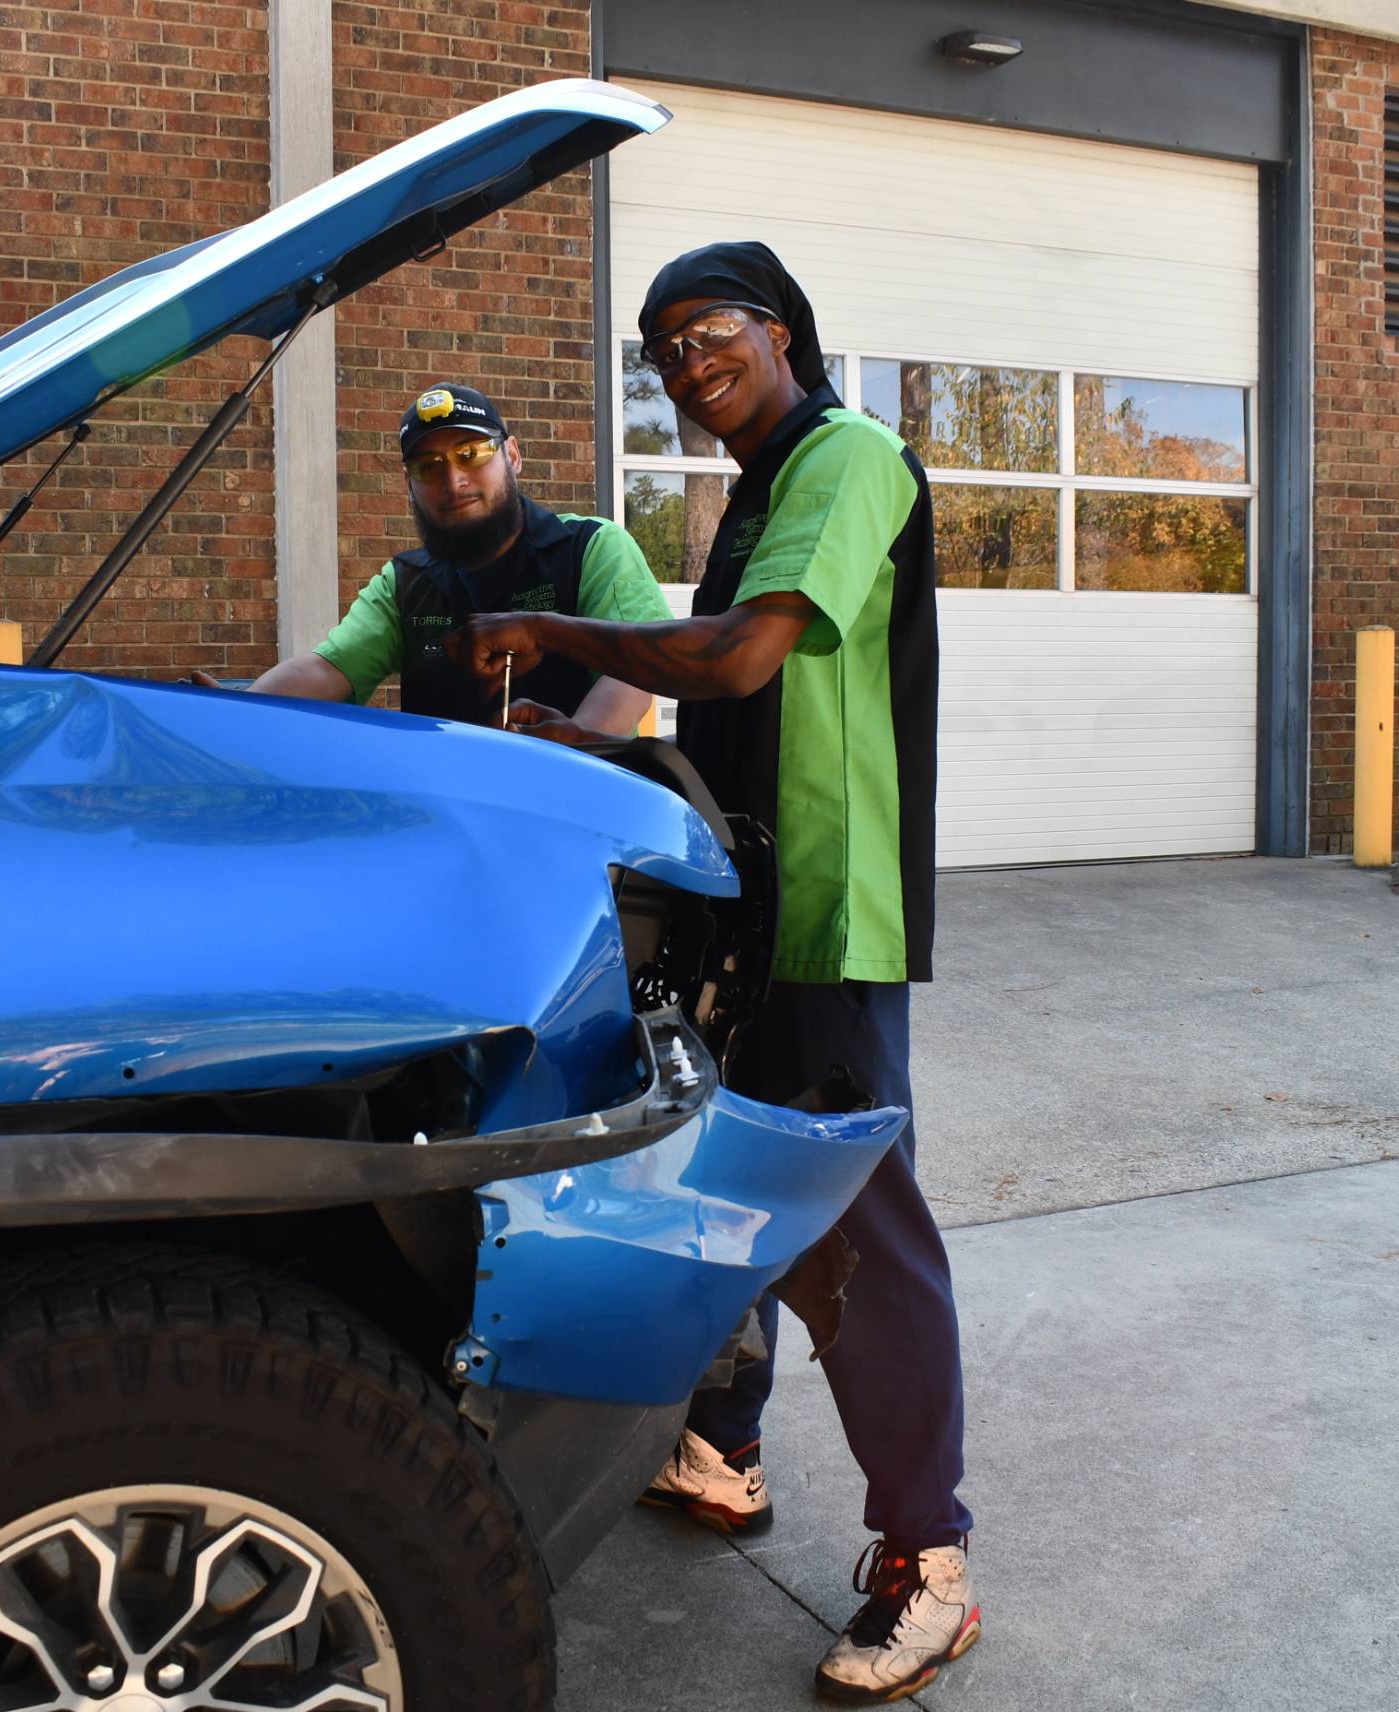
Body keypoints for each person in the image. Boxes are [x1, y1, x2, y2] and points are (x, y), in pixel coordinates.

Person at [452, 242, 973, 1704]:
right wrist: (594, 750)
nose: (685, 362)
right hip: (753, 906)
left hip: (830, 916)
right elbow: (729, 714)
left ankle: (929, 1558)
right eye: (663, 346)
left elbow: (743, 660)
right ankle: (727, 1452)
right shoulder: (756, 496)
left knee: (866, 1237)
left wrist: (552, 629)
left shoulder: (852, 454)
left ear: (783, 329)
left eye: (708, 331)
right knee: (729, 1192)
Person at [199, 382, 666, 732]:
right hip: (449, 814)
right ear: (409, 485)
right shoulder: (404, 582)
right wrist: (235, 715)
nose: (453, 480)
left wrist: (574, 750)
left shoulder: (590, 548)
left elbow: (634, 673)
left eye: (471, 453)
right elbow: (328, 669)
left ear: (513, 455)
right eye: (429, 466)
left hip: (579, 813)